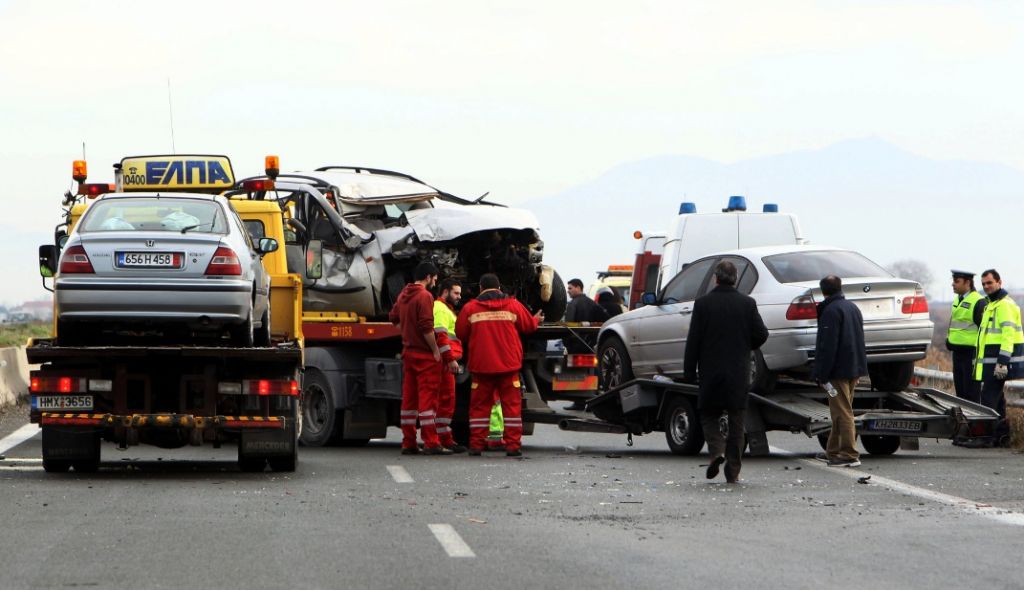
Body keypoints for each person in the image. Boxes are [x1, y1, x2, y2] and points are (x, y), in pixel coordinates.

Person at [683, 261, 768, 483]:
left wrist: (689, 371)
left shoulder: (703, 304)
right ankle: (733, 470)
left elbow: (693, 340)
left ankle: (716, 452)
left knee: (708, 413)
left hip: (711, 370)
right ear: (736, 277)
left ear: (715, 278)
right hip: (738, 371)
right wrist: (745, 344)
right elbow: (762, 334)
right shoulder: (747, 303)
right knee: (737, 420)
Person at [456, 273, 542, 456]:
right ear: (500, 288)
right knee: (511, 408)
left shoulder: (470, 309)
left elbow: (460, 333)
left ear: (480, 288)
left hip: (481, 368)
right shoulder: (513, 305)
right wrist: (536, 319)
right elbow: (528, 327)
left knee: (479, 407)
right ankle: (513, 446)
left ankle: (476, 446)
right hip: (508, 367)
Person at [388, 262, 451, 455]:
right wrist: (435, 350)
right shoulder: (424, 296)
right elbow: (426, 327)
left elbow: (393, 317)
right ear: (429, 277)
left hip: (409, 354)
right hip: (424, 356)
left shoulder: (404, 294)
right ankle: (431, 442)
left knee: (409, 400)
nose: (435, 282)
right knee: (428, 401)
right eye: (435, 278)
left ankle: (408, 442)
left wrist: (407, 333)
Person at [812, 275, 868, 468]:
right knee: (839, 411)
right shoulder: (852, 308)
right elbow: (859, 340)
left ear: (823, 291)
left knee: (843, 412)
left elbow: (827, 346)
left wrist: (821, 373)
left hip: (837, 372)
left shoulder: (830, 312)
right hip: (853, 368)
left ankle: (849, 454)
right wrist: (860, 369)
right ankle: (833, 451)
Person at [970, 269, 1022, 448]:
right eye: (983, 284)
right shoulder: (991, 305)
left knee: (988, 399)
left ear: (999, 282)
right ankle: (1001, 436)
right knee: (997, 400)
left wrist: (1002, 362)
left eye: (989, 283)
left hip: (998, 362)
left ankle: (986, 437)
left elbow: (1008, 335)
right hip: (991, 362)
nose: (986, 287)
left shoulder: (1004, 305)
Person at [432, 278, 466, 453]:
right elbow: (441, 336)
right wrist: (450, 359)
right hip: (444, 362)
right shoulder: (440, 308)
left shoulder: (446, 309)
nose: (459, 296)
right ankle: (439, 440)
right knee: (443, 401)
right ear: (445, 292)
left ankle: (445, 439)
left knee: (447, 401)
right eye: (456, 293)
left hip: (446, 361)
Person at [946, 270, 986, 404]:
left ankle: (973, 424)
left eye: (957, 281)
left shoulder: (978, 301)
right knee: (960, 393)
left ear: (967, 283)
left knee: (971, 394)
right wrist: (949, 340)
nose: (953, 284)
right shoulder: (958, 299)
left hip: (971, 354)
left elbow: (984, 330)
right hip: (957, 352)